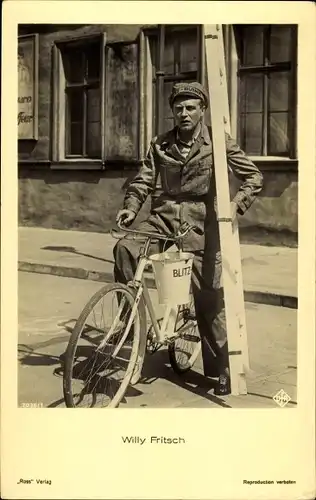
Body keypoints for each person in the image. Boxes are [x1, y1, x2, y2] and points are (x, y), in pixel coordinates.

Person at [114, 82, 263, 396]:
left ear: (202, 110)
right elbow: (143, 180)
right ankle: (133, 329)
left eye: (190, 107)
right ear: (173, 112)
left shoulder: (218, 142)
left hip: (201, 225)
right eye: (178, 108)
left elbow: (254, 176)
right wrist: (130, 208)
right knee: (125, 249)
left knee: (208, 295)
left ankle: (223, 368)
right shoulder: (160, 144)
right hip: (163, 218)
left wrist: (236, 204)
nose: (184, 113)